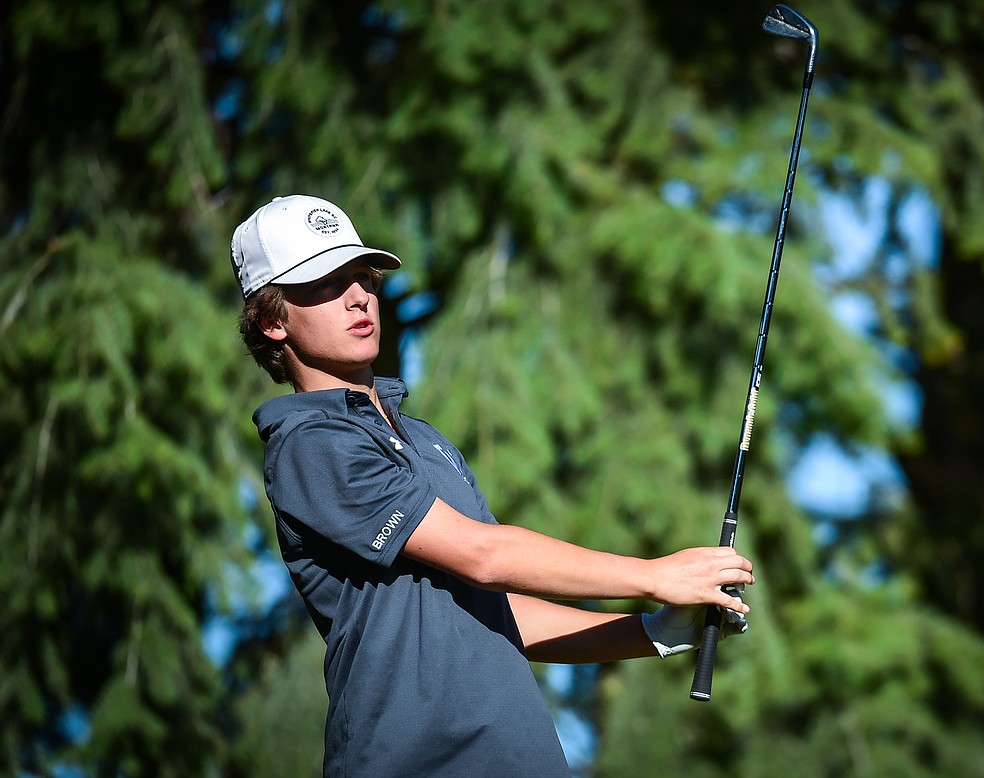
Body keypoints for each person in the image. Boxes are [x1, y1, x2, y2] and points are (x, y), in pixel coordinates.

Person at [231, 194, 754, 777]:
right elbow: (484, 555)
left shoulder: (425, 442)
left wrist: (650, 632)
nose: (360, 298)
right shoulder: (310, 443)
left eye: (362, 277)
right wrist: (654, 576)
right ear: (274, 320)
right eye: (327, 285)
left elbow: (496, 610)